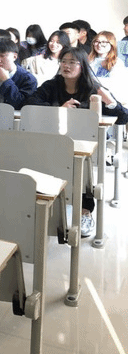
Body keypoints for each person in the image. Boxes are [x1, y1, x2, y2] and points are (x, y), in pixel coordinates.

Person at [26, 46, 128, 237]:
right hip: (54, 141)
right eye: (63, 61)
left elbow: (123, 117)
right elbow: (30, 103)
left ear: (82, 66)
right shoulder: (52, 85)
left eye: (72, 62)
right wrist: (59, 108)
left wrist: (109, 101)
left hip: (86, 145)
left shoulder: (93, 87)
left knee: (80, 170)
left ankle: (85, 212)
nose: (66, 66)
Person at [89, 31, 128, 102]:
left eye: (104, 42)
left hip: (110, 99)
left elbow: (116, 85)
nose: (99, 45)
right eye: (96, 41)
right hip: (90, 98)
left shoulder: (116, 63)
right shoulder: (89, 60)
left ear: (111, 44)